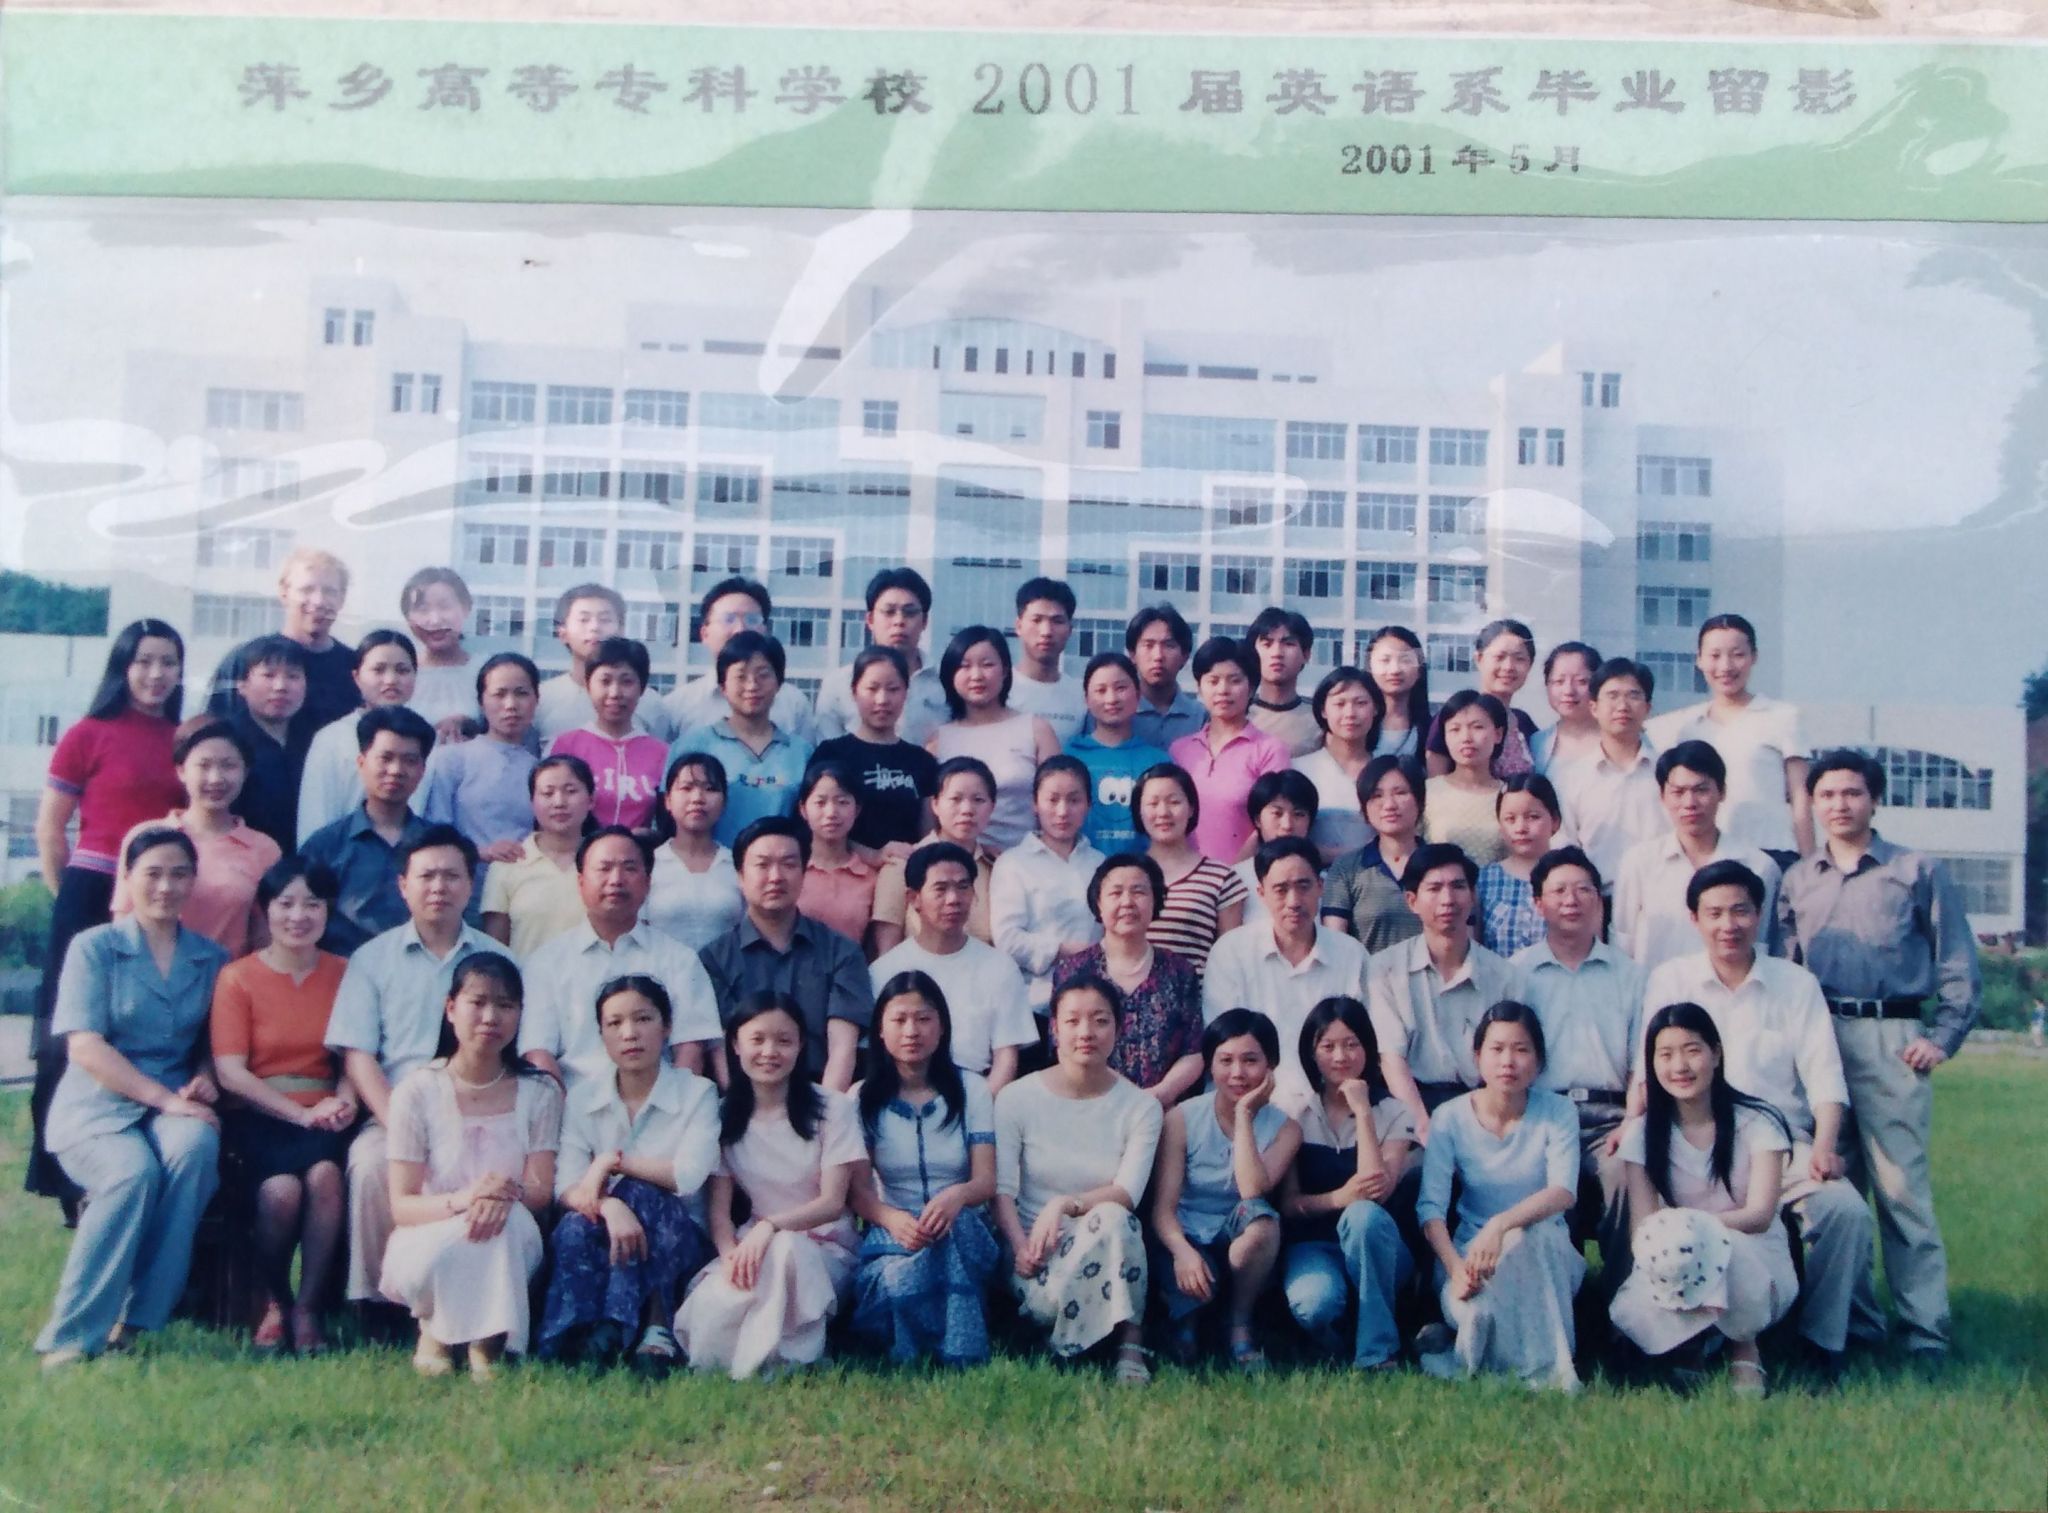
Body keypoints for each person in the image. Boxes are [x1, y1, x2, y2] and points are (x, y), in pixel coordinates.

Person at [1778, 749, 1980, 1369]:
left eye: (1852, 793)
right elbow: (1784, 969)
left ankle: (1924, 1331)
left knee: (1899, 1190)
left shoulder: (1915, 870)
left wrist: (1942, 1036)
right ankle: (1854, 1323)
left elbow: (1956, 959)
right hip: (1818, 1039)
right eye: (1827, 794)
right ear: (1812, 803)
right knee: (1831, 1185)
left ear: (1874, 799)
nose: (1839, 805)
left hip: (1890, 1037)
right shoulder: (1797, 879)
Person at [1635, 859, 1872, 1379]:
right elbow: (1648, 1067)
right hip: (1693, 1141)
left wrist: (1825, 1146)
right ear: (1694, 919)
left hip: (1779, 1145)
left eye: (1740, 910)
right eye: (1714, 913)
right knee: (1640, 1204)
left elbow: (1824, 1076)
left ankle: (1821, 1343)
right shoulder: (1671, 979)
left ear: (1760, 914)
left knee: (1845, 1211)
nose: (1729, 924)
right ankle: (1666, 1337)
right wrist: (1632, 1129)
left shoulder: (1795, 984)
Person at [33, 828, 229, 1369]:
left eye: (179, 874)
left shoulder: (210, 958)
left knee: (194, 1148)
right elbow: (85, 1047)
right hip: (97, 1104)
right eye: (153, 873)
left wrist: (205, 1079)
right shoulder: (95, 948)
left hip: (173, 1101)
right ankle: (72, 1335)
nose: (166, 887)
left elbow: (214, 1044)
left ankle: (139, 1320)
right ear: (127, 877)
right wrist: (164, 1100)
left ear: (193, 881)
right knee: (130, 1173)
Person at [323, 825, 511, 1312]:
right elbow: (358, 1054)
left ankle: (467, 1298)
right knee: (370, 1166)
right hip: (392, 1111)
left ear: (470, 885)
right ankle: (377, 1301)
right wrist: (400, 1124)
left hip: (479, 1110)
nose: (438, 887)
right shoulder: (371, 960)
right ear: (403, 885)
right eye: (426, 876)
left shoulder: (499, 961)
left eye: (451, 876)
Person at [381, 954, 564, 1379]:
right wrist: (468, 1200)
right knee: (464, 1233)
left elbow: (540, 1191)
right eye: (477, 1002)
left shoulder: (540, 1091)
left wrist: (501, 1195)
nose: (490, 1017)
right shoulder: (416, 1091)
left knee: (502, 1227)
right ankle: (438, 1332)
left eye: (505, 1005)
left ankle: (486, 1341)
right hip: (431, 1228)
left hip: (512, 1225)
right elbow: (403, 1206)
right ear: (450, 1009)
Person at [1610, 1003, 1798, 1398]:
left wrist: (1692, 1226)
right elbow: (1643, 1228)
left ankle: (1744, 1345)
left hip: (1751, 1247)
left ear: (1716, 1053)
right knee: (1652, 1284)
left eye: (1692, 1050)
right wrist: (1682, 1237)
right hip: (1679, 1246)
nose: (1679, 1065)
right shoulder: (1642, 1134)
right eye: (1665, 1054)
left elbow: (1760, 1215)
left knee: (1726, 1250)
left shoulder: (1758, 1122)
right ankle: (1692, 1342)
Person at [674, 992, 865, 1379]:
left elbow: (832, 1202)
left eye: (783, 1041)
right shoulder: (723, 1116)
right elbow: (719, 1214)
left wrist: (771, 1227)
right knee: (720, 1298)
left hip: (825, 1247)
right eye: (757, 1040)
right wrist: (731, 1256)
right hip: (754, 1245)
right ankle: (734, 1361)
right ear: (735, 1044)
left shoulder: (833, 1108)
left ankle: (784, 1359)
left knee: (787, 1251)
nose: (769, 1052)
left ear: (800, 1045)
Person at [209, 857, 354, 1355]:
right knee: (281, 1193)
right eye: (285, 903)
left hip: (326, 1113)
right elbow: (230, 1071)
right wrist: (299, 1115)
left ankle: (309, 1308)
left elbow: (355, 1056)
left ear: (328, 911)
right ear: (265, 909)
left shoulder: (345, 974)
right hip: (258, 1114)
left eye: (312, 904)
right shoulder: (237, 978)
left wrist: (345, 1101)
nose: (298, 916)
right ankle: (275, 1299)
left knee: (326, 1178)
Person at [538, 976, 721, 1371]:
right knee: (576, 1224)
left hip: (678, 1242)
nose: (630, 1033)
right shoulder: (584, 1098)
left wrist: (611, 1162)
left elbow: (687, 1176)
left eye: (643, 1019)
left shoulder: (698, 1093)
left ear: (667, 1026)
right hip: (605, 1234)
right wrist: (608, 1206)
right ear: (601, 1034)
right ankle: (582, 1332)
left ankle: (652, 1328)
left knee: (645, 1193)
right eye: (615, 1023)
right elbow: (566, 1186)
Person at [994, 976, 1164, 1381]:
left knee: (1116, 1219)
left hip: (1106, 1247)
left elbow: (1127, 1192)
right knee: (1045, 1301)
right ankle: (1074, 1333)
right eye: (1072, 1021)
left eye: (1100, 1021)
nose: (1086, 1032)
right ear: (1054, 1028)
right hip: (1034, 1255)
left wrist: (1064, 1205)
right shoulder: (1016, 1098)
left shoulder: (1141, 1107)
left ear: (1119, 1028)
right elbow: (1002, 1192)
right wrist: (1020, 1247)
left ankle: (1128, 1344)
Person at [1417, 1002, 1586, 1391]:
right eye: (1496, 1049)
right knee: (1477, 1316)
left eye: (1521, 1049)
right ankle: (1459, 1338)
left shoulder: (1558, 1111)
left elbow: (1563, 1192)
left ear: (1538, 1061)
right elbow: (1430, 1209)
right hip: (1471, 1259)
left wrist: (1501, 1226)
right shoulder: (1449, 1117)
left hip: (1546, 1254)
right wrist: (1456, 1270)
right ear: (1478, 1057)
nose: (1508, 1061)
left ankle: (1547, 1376)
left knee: (1533, 1238)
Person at [849, 972, 1002, 1365]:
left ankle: (957, 1349)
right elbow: (859, 1192)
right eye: (899, 1020)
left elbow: (986, 1180)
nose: (911, 1031)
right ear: (880, 1029)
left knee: (953, 1235)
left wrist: (957, 1196)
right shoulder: (860, 1099)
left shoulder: (972, 1090)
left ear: (942, 1026)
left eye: (923, 1019)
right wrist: (892, 1219)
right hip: (895, 1231)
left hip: (964, 1227)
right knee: (896, 1277)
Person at [1509, 847, 1645, 1281]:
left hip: (1612, 1118)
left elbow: (1642, 1062)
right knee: (1540, 1187)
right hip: (1542, 1115)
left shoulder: (1630, 974)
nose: (1571, 900)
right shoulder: (1517, 973)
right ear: (1538, 903)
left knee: (1626, 1173)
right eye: (1559, 891)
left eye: (1583, 890)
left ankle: (1627, 1304)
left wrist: (1633, 1122)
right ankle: (1559, 1302)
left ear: (1599, 901)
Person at [1149, 1008, 1301, 1370]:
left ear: (1271, 1066)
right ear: (1210, 1065)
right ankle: (1190, 1318)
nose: (1237, 1073)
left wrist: (1245, 1114)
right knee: (1186, 1343)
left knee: (1262, 1221)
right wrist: (1183, 1252)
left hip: (1236, 1237)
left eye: (1250, 1060)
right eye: (1226, 1060)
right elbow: (1163, 1209)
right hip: (1183, 1236)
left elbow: (1252, 1192)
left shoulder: (1286, 1129)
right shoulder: (1181, 1118)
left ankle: (1239, 1321)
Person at [517, 827, 723, 1091]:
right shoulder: (545, 963)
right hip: (572, 1106)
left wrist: (668, 1107)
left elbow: (689, 1050)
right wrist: (567, 1108)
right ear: (580, 882)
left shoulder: (679, 960)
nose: (616, 879)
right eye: (604, 868)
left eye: (629, 868)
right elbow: (538, 1052)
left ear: (648, 882)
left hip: (662, 1106)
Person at [1278, 997, 1419, 1370]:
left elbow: (1376, 1192)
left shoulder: (1394, 1112)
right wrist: (1338, 1197)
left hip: (1381, 1248)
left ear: (1368, 1048)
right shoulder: (1295, 1113)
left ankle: (1377, 1351)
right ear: (1312, 1054)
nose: (1340, 1056)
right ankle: (1339, 1338)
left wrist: (1362, 1111)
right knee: (1314, 1305)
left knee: (1362, 1216)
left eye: (1351, 1044)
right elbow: (1289, 1204)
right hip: (1315, 1245)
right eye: (1328, 1046)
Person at [699, 817, 872, 1092]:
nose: (776, 877)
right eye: (762, 865)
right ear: (740, 877)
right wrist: (748, 1110)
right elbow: (722, 1051)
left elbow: (842, 1049)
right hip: (743, 1100)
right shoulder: (713, 960)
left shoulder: (842, 952)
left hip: (821, 1094)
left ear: (804, 874)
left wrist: (825, 1111)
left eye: (788, 864)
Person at [1367, 844, 1523, 1140]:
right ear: (1412, 901)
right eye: (1434, 888)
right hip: (1409, 1108)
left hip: (1483, 1107)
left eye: (1458, 886)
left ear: (1473, 896)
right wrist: (1422, 1126)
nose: (1448, 899)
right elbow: (1392, 1059)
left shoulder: (1505, 976)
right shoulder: (1385, 970)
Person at [1203, 838, 1369, 1098]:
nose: (1294, 901)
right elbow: (1224, 1046)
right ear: (1261, 893)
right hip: (1251, 1100)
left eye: (1304, 886)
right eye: (1280, 890)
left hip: (1331, 1100)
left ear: (1320, 886)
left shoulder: (1351, 954)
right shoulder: (1231, 951)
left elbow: (1365, 1042)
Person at [871, 843, 1040, 1094]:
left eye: (963, 887)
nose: (953, 899)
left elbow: (1006, 1059)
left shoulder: (1000, 967)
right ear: (914, 898)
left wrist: (978, 1108)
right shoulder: (884, 971)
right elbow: (875, 1057)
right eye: (940, 889)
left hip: (978, 1094)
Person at [1645, 613, 1812, 861]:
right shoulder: (1684, 726)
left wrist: (1809, 863)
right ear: (1699, 660)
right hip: (1707, 857)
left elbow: (1801, 798)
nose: (1725, 666)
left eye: (1737, 654)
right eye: (1714, 656)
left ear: (1754, 657)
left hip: (1771, 850)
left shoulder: (1782, 717)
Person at [110, 717, 282, 958]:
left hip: (226, 977)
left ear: (245, 771)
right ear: (181, 770)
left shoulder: (264, 849)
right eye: (204, 765)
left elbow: (265, 940)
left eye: (228, 766)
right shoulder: (147, 837)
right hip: (151, 976)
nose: (216, 778)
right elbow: (123, 926)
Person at [1611, 741, 1781, 974]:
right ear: (1662, 796)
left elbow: (1762, 948)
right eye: (1678, 792)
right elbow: (1623, 946)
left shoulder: (1758, 867)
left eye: (1701, 790)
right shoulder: (1638, 863)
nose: (1689, 803)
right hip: (1656, 994)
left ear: (1722, 792)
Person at [1052, 853, 1206, 1105]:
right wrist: (1113, 1099)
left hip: (1165, 1109)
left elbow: (1194, 1051)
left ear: (1155, 900)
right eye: (1115, 893)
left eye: (1138, 892)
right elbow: (1062, 1046)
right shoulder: (1074, 971)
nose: (1127, 902)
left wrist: (1160, 1094)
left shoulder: (1179, 971)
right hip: (1092, 1105)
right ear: (1098, 903)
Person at [298, 706, 438, 956]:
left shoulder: (438, 846)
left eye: (409, 761)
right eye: (385, 758)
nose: (396, 770)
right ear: (361, 763)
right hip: (344, 971)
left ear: (422, 771)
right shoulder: (325, 846)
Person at [671, 631, 814, 845]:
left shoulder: (801, 752)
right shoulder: (693, 745)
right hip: (713, 863)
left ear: (779, 683)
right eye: (740, 676)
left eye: (763, 675)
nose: (752, 685)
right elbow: (669, 818)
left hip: (777, 863)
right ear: (723, 686)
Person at [928, 624, 1059, 854]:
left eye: (987, 664)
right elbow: (929, 821)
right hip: (959, 863)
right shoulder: (937, 742)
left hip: (1026, 861)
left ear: (1005, 670)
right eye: (964, 666)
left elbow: (1057, 802)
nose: (977, 675)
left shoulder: (1036, 730)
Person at [990, 756, 1105, 1017]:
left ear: (1088, 804)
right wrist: (1066, 950)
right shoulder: (1013, 864)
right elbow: (1007, 939)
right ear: (1035, 803)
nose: (1062, 811)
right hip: (1034, 1004)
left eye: (1074, 800)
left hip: (1095, 1003)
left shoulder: (1100, 864)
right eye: (1052, 800)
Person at [206, 547, 358, 730]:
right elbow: (213, 732)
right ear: (284, 592)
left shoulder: (356, 668)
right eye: (307, 589)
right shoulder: (246, 659)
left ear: (342, 598)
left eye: (329, 591)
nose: (318, 601)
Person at [1169, 637, 1291, 865]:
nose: (1223, 690)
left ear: (1251, 687)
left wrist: (1230, 876)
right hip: (1184, 875)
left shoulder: (1269, 750)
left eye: (1234, 681)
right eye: (1213, 681)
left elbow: (1273, 822)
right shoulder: (1180, 750)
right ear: (1199, 687)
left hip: (1247, 874)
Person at [296, 630, 420, 846]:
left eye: (402, 670)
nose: (391, 680)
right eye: (378, 670)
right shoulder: (332, 739)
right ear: (357, 677)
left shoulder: (427, 736)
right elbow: (315, 818)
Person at [810, 644, 939, 852]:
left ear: (906, 693)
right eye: (872, 689)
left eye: (893, 689)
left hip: (904, 867)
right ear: (854, 692)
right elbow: (814, 826)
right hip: (846, 866)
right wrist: (873, 855)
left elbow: (929, 835)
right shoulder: (830, 755)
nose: (882, 700)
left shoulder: (922, 761)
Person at [870, 756, 1001, 954]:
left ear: (992, 807)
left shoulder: (996, 866)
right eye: (955, 799)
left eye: (978, 800)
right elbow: (886, 952)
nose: (967, 810)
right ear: (935, 804)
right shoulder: (901, 864)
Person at [662, 576, 814, 745]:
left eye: (752, 620)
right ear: (704, 634)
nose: (740, 629)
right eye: (728, 619)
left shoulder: (794, 704)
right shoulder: (677, 707)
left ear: (765, 630)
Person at [1552, 657, 1665, 884]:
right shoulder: (1571, 778)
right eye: (1612, 696)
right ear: (1594, 707)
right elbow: (1564, 846)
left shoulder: (1667, 774)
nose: (1622, 706)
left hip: (1659, 893)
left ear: (1648, 708)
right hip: (1598, 896)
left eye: (1633, 695)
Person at [812, 567, 950, 747]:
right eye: (889, 612)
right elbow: (827, 752)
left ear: (924, 621)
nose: (899, 621)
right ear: (870, 620)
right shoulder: (837, 685)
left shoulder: (946, 682)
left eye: (909, 612)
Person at [417, 652, 541, 853]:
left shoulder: (539, 769)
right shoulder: (452, 759)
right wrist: (482, 853)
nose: (511, 705)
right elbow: (435, 831)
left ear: (536, 699)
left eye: (521, 693)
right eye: (499, 694)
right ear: (481, 702)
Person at [479, 754, 596, 958]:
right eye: (547, 793)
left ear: (591, 800)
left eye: (570, 791)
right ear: (532, 802)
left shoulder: (606, 863)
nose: (559, 802)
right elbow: (495, 950)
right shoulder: (508, 865)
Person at [1137, 763, 1247, 980]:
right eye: (1153, 803)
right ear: (1139, 811)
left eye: (1174, 802)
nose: (1163, 812)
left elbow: (1231, 959)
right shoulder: (1122, 875)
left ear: (1191, 808)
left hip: (1193, 997)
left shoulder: (1222, 878)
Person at [548, 636, 669, 831]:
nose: (615, 693)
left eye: (626, 682)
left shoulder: (662, 753)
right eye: (605, 681)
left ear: (642, 688)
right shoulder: (565, 746)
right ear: (588, 685)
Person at [534, 583, 674, 746]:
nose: (594, 627)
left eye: (605, 619)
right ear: (562, 633)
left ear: (621, 630)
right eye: (584, 620)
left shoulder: (650, 703)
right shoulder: (541, 700)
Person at [1066, 651, 1169, 854]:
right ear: (1086, 699)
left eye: (1120, 688)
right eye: (1100, 690)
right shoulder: (1069, 758)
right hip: (1081, 868)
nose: (1111, 699)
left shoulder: (1158, 761)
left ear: (1138, 695)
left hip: (1143, 869)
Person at [1321, 755, 1426, 952]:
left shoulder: (1441, 866)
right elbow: (1335, 946)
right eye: (1377, 796)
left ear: (1420, 801)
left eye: (1400, 793)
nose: (1389, 805)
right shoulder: (1346, 869)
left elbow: (1463, 941)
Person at [223, 635, 314, 855]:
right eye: (268, 675)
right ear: (242, 684)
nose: (280, 686)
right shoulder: (226, 740)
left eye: (293, 676)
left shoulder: (315, 739)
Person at [644, 752, 744, 949]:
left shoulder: (738, 866)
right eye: (686, 788)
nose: (697, 798)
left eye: (710, 789)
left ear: (724, 802)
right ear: (668, 800)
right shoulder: (649, 864)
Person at [1426, 619, 1540, 778]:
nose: (1508, 667)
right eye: (1499, 657)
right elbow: (1436, 784)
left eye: (1519, 658)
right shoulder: (1454, 717)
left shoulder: (1523, 722)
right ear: (1479, 659)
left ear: (1530, 664)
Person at [1475, 773, 1565, 957]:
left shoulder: (1570, 878)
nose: (1521, 828)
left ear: (1555, 821)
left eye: (1533, 817)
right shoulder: (1485, 881)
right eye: (1510, 819)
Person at [794, 760, 878, 947]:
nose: (831, 812)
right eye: (820, 802)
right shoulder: (791, 869)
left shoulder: (871, 878)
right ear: (803, 809)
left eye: (842, 802)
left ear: (857, 809)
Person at [1294, 666, 1375, 859]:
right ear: (1323, 710)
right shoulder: (1298, 770)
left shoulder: (1388, 772)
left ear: (1376, 708)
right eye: (1340, 704)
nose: (1350, 713)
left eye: (1361, 703)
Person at [1422, 689, 1508, 865]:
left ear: (1498, 734)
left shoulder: (1510, 796)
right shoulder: (1427, 792)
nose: (1466, 738)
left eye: (1477, 727)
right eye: (1455, 729)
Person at [1231, 769, 1320, 929]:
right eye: (1277, 813)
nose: (1287, 825)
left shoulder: (1326, 880)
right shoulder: (1236, 880)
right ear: (1258, 820)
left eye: (1298, 814)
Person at [398, 566, 481, 736]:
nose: (435, 620)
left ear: (466, 608)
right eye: (423, 610)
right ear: (408, 618)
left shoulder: (486, 671)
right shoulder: (399, 673)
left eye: (445, 607)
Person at [1007, 577, 1088, 745]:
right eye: (1036, 620)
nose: (1046, 631)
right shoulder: (1000, 690)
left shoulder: (1081, 696)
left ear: (1070, 630)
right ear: (1019, 626)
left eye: (1057, 621)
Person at [1124, 604, 1205, 749]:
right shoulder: (1115, 713)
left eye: (1169, 645)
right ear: (1132, 655)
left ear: (1185, 656)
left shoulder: (1201, 717)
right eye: (1148, 645)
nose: (1158, 656)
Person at [1246, 606, 1323, 757]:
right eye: (1267, 644)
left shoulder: (1320, 719)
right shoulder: (1238, 714)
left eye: (1288, 644)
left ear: (1306, 654)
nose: (1277, 653)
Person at [1529, 640, 1603, 775]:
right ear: (1547, 685)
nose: (1568, 691)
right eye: (1559, 681)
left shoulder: (1619, 738)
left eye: (1581, 681)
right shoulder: (1537, 743)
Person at [1361, 626, 1430, 759]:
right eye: (1385, 660)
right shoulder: (1355, 725)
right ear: (1369, 667)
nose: (1395, 670)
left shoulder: (1434, 732)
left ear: (1420, 669)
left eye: (1405, 660)